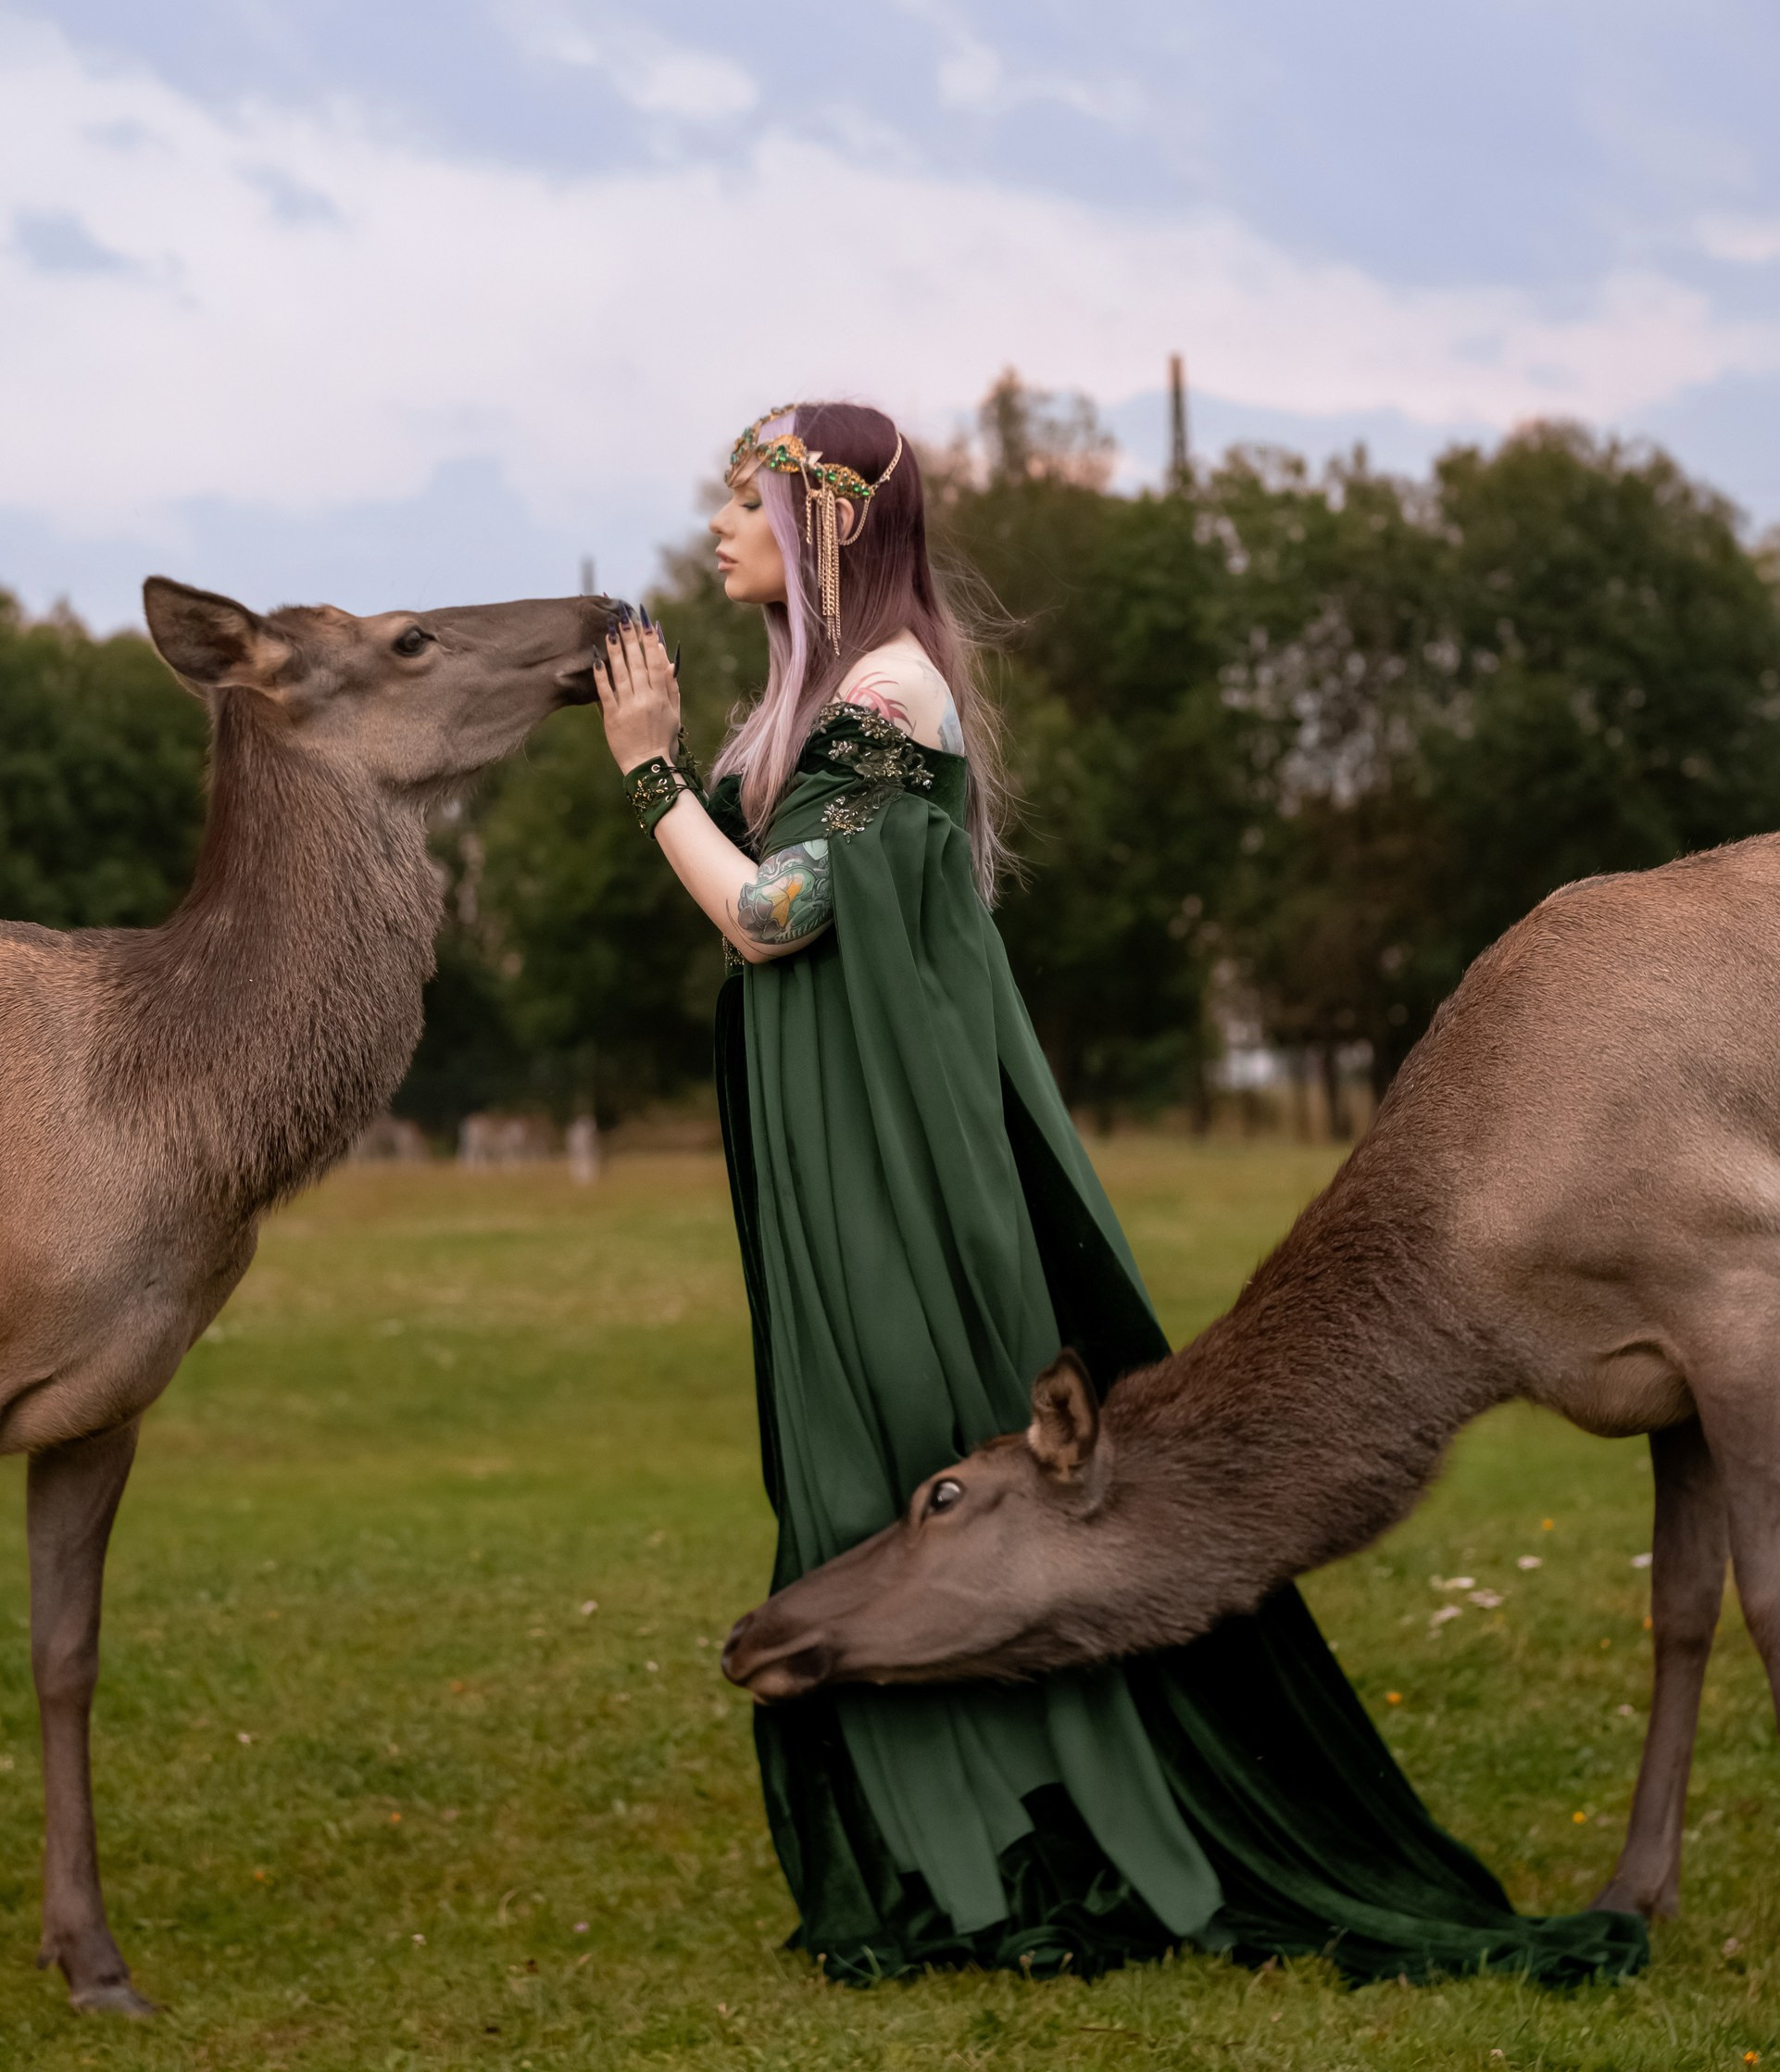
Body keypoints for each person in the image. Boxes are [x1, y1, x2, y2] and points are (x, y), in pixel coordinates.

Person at [591, 399, 1647, 1988]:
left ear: (826, 527)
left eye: (746, 504)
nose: (720, 529)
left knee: (904, 1439)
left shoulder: (892, 690)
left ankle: (1020, 1849)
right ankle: (914, 1853)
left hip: (890, 1149)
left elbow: (767, 914)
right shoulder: (828, 699)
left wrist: (646, 768)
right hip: (834, 1132)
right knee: (848, 1456)